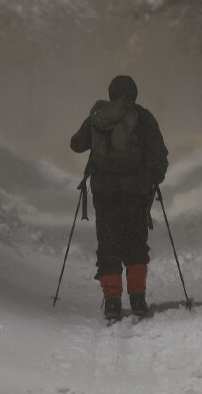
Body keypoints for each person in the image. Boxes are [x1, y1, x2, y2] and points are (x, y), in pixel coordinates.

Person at [70, 75, 168, 321]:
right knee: (136, 242)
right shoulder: (143, 117)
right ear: (134, 93)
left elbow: (77, 144)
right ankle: (138, 299)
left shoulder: (98, 115)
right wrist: (155, 177)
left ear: (111, 93)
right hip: (136, 191)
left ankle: (112, 302)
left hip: (104, 191)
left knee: (108, 243)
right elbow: (159, 153)